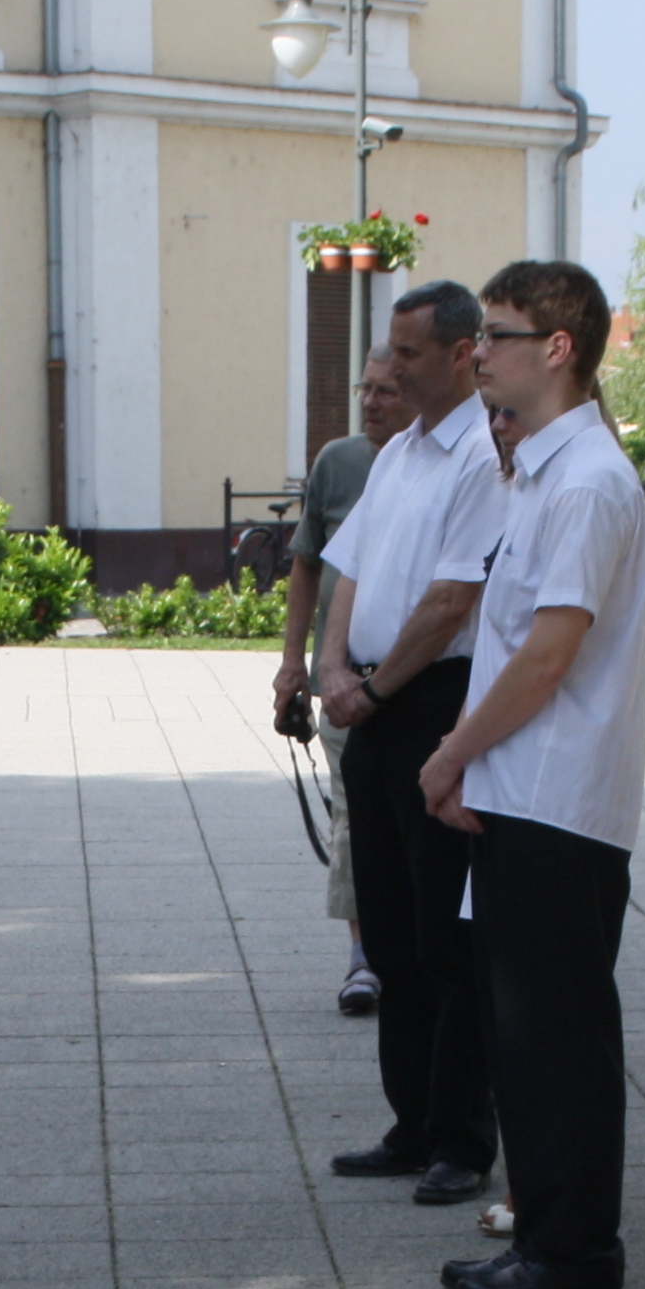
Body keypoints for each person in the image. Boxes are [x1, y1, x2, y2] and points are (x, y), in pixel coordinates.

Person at [421, 259, 645, 1289]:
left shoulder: (589, 480)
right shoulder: (545, 474)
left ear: (557, 349)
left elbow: (547, 654)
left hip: (558, 799)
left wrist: (451, 751)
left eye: (497, 335)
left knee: (556, 1040)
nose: (479, 354)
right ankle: (551, 1236)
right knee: (527, 1037)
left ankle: (573, 1253)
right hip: (527, 793)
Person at [314, 282, 508, 1209]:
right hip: (373, 704)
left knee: (444, 938)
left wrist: (377, 686)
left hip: (431, 700)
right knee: (388, 930)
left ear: (463, 353)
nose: (391, 368)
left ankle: (462, 1138)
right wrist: (329, 668)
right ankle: (412, 1122)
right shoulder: (398, 455)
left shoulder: (481, 456)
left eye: (410, 352)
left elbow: (452, 600)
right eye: (389, 349)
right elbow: (347, 570)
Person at [275, 352, 405, 1015]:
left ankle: (408, 942)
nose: (370, 402)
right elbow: (306, 565)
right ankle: (364, 954)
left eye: (386, 391)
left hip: (415, 681)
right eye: (365, 389)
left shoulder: (442, 464)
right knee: (353, 815)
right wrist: (293, 664)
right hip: (343, 683)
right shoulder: (339, 462)